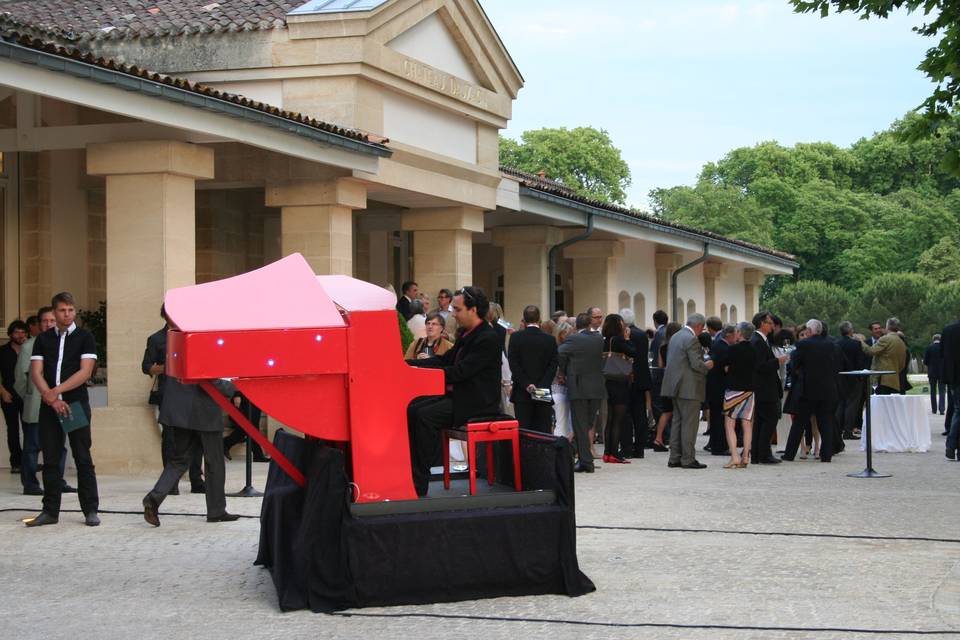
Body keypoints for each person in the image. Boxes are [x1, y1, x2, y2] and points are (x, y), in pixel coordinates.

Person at [406, 286, 502, 496]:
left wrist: (421, 373)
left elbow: (460, 372)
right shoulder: (467, 334)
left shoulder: (488, 337)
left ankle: (419, 482)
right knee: (411, 408)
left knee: (424, 415)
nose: (453, 315)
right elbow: (444, 360)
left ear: (473, 310)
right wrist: (409, 365)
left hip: (476, 401)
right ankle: (411, 474)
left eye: (457, 310)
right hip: (460, 395)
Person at [25, 292, 100, 527]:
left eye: (70, 310)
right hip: (50, 406)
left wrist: (55, 391)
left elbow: (85, 372)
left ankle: (90, 510)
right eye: (62, 310)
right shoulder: (44, 339)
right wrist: (52, 398)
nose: (67, 314)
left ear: (74, 311)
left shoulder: (85, 337)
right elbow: (36, 372)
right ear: (54, 313)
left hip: (74, 405)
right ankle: (50, 511)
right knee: (50, 458)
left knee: (82, 456)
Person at [142, 373, 239, 526]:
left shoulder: (178, 348)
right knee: (214, 462)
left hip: (182, 409)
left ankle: (153, 499)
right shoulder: (205, 348)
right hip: (204, 410)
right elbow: (211, 379)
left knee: (179, 461)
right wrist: (236, 385)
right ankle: (216, 510)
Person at [142, 305, 205, 494]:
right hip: (169, 393)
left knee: (197, 437)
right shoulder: (156, 339)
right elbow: (147, 367)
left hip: (193, 392)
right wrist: (169, 365)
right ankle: (171, 483)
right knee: (170, 438)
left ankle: (196, 480)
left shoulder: (190, 335)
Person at [15, 307, 74, 496]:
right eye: (44, 321)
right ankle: (30, 484)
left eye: (51, 320)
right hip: (36, 405)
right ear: (39, 324)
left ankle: (59, 481)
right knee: (32, 446)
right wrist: (32, 395)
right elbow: (21, 379)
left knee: (61, 446)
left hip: (64, 403)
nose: (48, 324)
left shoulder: (68, 342)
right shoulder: (29, 346)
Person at [782, 319, 841, 463]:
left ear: (809, 331)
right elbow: (838, 364)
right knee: (825, 422)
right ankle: (826, 455)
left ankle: (789, 454)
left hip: (807, 389)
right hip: (828, 389)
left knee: (799, 423)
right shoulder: (832, 345)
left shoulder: (803, 344)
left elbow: (794, 364)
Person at [661, 313, 713, 469]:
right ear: (698, 326)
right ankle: (688, 458)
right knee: (689, 424)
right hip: (689, 387)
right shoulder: (691, 339)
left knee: (677, 422)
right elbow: (696, 364)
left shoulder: (676, 336)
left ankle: (674, 457)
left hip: (674, 386)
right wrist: (708, 366)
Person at [558, 313, 605, 473]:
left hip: (578, 386)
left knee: (580, 424)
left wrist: (563, 371)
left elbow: (560, 353)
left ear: (576, 325)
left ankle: (586, 461)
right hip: (596, 387)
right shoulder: (599, 339)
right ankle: (585, 459)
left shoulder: (573, 339)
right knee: (588, 424)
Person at [507, 305, 558, 433]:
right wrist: (541, 386)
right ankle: (542, 453)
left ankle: (525, 454)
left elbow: (514, 364)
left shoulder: (516, 337)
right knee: (542, 429)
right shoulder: (550, 340)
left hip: (522, 392)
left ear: (524, 320)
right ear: (539, 319)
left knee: (524, 430)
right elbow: (553, 365)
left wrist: (527, 384)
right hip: (543, 390)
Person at [750, 311, 789, 465]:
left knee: (761, 422)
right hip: (764, 388)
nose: (772, 325)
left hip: (764, 387)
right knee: (769, 420)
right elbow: (760, 366)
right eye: (769, 322)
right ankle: (763, 454)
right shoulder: (758, 341)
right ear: (762, 324)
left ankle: (759, 453)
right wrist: (777, 361)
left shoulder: (761, 340)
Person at [601, 313, 636, 464]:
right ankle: (614, 453)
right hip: (620, 382)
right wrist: (628, 339)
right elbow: (633, 352)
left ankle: (607, 453)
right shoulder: (619, 340)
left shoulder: (605, 341)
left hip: (607, 381)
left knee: (610, 419)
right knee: (618, 420)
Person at [721, 322, 757, 468]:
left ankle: (735, 456)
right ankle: (746, 456)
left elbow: (725, 366)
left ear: (740, 333)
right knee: (747, 424)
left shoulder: (733, 349)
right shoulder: (754, 350)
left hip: (734, 390)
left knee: (730, 423)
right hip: (750, 390)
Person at [621, 308, 652, 458]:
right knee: (640, 415)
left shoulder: (623, 335)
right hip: (641, 378)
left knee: (626, 414)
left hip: (627, 378)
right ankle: (639, 448)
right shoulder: (642, 334)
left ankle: (627, 447)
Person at [1, 319, 28, 474]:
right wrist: (3, 392)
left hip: (27, 395)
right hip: (8, 394)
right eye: (17, 332)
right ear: (11, 333)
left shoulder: (31, 349)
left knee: (29, 429)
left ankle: (28, 462)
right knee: (13, 429)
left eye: (23, 332)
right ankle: (16, 463)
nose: (20, 335)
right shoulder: (2, 351)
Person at [706, 323, 735, 456]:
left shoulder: (717, 344)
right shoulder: (724, 348)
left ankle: (714, 444)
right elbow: (726, 368)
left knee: (716, 417)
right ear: (729, 335)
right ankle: (720, 446)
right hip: (719, 387)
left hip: (713, 387)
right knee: (719, 418)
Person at [836, 321, 868, 439]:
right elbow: (860, 362)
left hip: (840, 378)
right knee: (852, 405)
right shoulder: (856, 344)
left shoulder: (836, 343)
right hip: (854, 378)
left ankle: (838, 429)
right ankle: (848, 431)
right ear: (850, 330)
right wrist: (861, 377)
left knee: (840, 404)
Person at [652, 322, 682, 451]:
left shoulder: (663, 346)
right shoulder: (678, 345)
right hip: (677, 380)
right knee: (677, 411)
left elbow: (660, 365)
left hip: (665, 379)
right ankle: (675, 440)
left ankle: (658, 438)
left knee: (666, 411)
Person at [860, 317, 908, 395]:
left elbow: (870, 351)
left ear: (887, 327)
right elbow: (902, 365)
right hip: (895, 380)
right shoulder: (901, 342)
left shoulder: (885, 339)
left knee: (881, 404)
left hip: (883, 380)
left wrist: (860, 341)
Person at [551, 322, 575, 440]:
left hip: (559, 390)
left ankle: (561, 451)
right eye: (569, 333)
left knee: (562, 423)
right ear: (561, 335)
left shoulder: (557, 349)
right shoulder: (561, 350)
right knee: (562, 423)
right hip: (559, 390)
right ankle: (559, 451)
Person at [941, 316, 960, 460]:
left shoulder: (948, 330)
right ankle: (952, 444)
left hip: (953, 376)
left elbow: (943, 355)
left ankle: (952, 445)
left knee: (957, 410)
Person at [925, 334, 946, 415]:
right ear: (940, 339)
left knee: (933, 391)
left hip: (932, 372)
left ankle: (934, 409)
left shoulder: (929, 348)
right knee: (942, 391)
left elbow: (925, 361)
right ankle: (942, 409)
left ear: (933, 339)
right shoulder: (943, 348)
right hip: (942, 372)